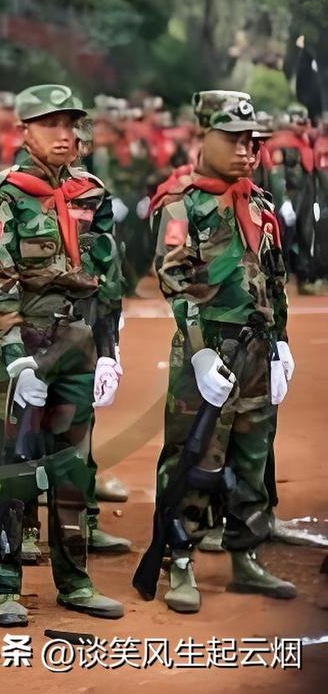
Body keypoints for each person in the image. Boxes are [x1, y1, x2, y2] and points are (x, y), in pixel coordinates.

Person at [0, 84, 125, 626]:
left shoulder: (91, 193)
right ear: (26, 131)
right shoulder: (6, 193)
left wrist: (110, 349)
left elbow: (107, 275)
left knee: (73, 467)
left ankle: (75, 582)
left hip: (79, 347)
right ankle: (2, 587)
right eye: (52, 124)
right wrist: (16, 358)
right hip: (29, 346)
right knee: (13, 469)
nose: (66, 134)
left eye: (72, 124)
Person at [146, 90, 296, 613]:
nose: (245, 150)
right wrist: (199, 353)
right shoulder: (182, 203)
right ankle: (179, 558)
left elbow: (274, 281)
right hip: (208, 346)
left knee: (251, 456)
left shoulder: (258, 202)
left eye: (252, 141)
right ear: (203, 136)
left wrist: (282, 345)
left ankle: (246, 555)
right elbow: (173, 279)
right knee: (194, 457)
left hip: (257, 349)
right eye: (233, 139)